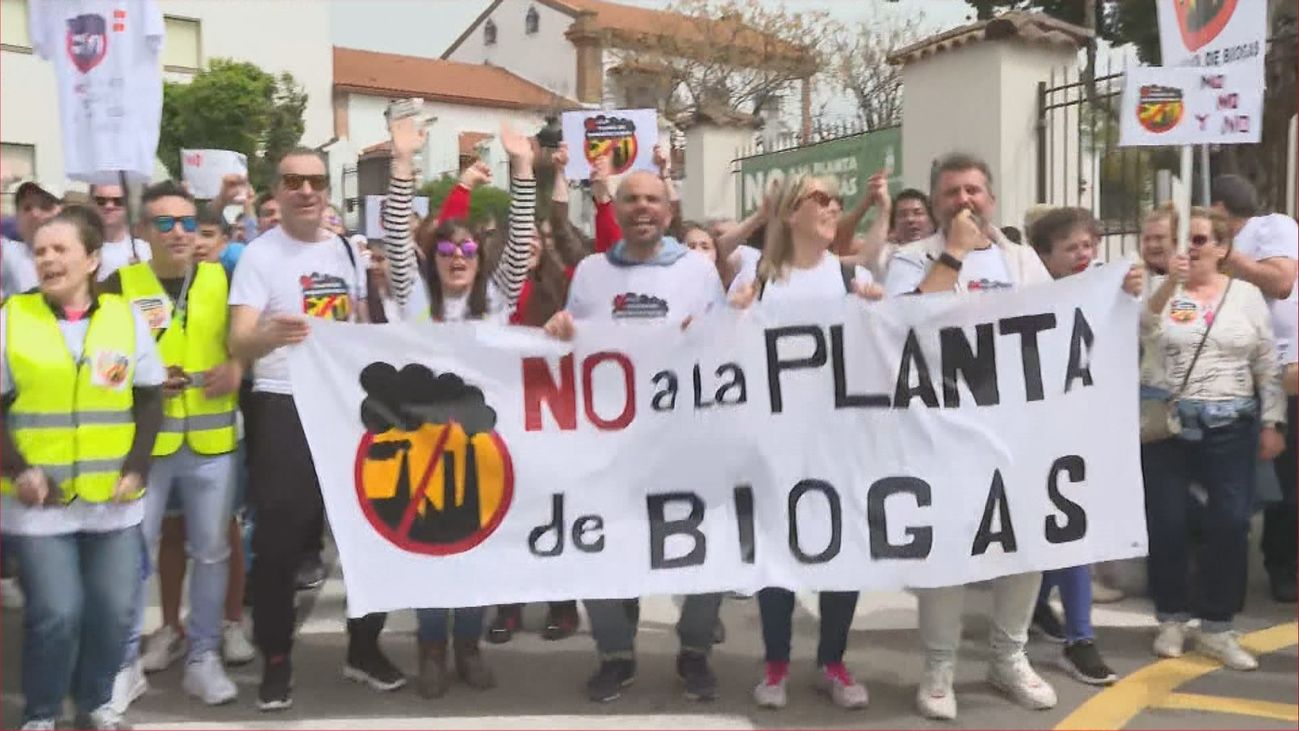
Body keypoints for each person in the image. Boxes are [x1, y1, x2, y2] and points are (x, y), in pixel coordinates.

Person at [883, 153, 1142, 721]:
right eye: (951, 192)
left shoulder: (1020, 259)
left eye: (975, 190)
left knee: (1026, 548)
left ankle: (1009, 657)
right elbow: (903, 328)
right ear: (934, 203)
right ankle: (939, 668)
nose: (965, 201)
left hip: (1018, 434)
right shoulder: (908, 259)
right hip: (942, 434)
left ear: (992, 199)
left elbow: (1064, 322)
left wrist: (1120, 295)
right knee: (947, 554)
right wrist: (952, 251)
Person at [229, 147, 404, 711]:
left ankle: (363, 648)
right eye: (293, 181)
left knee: (369, 535)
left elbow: (357, 326)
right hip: (283, 406)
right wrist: (274, 336)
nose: (306, 190)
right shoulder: (260, 256)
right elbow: (239, 341)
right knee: (280, 546)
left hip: (346, 408)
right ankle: (276, 659)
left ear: (328, 189)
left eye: (316, 181)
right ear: (276, 191)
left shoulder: (350, 252)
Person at [544, 169, 726, 704]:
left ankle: (694, 652)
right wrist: (560, 331)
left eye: (653, 199)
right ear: (615, 209)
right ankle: (615, 655)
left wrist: (709, 336)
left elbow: (728, 349)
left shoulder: (697, 270)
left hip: (686, 437)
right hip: (611, 443)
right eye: (631, 199)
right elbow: (572, 349)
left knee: (704, 550)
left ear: (669, 212)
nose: (642, 207)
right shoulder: (591, 273)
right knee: (601, 545)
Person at [383, 115, 535, 698]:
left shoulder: (495, 301)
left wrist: (523, 167)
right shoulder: (414, 300)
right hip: (420, 452)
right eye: (446, 246)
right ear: (434, 256)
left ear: (479, 256)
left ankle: (468, 645)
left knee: (475, 555)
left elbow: (519, 241)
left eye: (468, 246)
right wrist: (402, 165)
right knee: (429, 553)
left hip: (482, 451)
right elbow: (398, 236)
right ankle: (431, 650)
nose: (457, 254)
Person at [1, 206, 165, 730]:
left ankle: (95, 704)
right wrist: (17, 470)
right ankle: (42, 713)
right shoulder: (11, 318)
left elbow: (149, 400)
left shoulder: (124, 317)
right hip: (40, 507)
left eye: (60, 249)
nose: (47, 260)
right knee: (57, 613)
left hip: (112, 504)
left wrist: (138, 468)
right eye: (40, 251)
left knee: (115, 614)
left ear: (92, 259)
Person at [728, 174, 881, 710]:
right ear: (791, 213)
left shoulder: (851, 278)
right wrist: (735, 315)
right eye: (820, 197)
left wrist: (881, 313)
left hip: (841, 443)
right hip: (776, 445)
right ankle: (775, 663)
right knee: (779, 553)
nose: (833, 205)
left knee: (844, 549)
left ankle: (832, 661)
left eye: (839, 198)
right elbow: (718, 354)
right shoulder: (759, 277)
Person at [104, 182, 244, 708]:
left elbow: (243, 341)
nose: (180, 232)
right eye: (165, 223)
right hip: (146, 444)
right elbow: (101, 358)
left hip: (211, 441)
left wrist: (238, 367)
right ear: (143, 231)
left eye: (187, 222)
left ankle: (203, 655)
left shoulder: (222, 277)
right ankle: (123, 663)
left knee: (211, 552)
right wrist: (134, 379)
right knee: (132, 552)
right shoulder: (120, 283)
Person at [1140, 206, 1286, 670]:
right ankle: (1171, 617)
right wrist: (1168, 285)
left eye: (1201, 240)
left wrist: (1273, 421)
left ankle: (1218, 626)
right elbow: (1142, 330)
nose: (1191, 249)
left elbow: (1266, 361)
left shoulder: (1245, 296)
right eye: (1183, 240)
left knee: (1230, 523)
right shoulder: (1155, 290)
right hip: (1171, 427)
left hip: (1232, 425)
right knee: (1167, 522)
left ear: (1223, 249)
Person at [1024, 206, 1120, 686]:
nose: (1083, 255)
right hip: (1037, 433)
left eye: (1088, 245)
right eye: (1070, 248)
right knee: (1061, 532)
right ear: (1046, 257)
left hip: (1086, 430)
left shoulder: (1110, 292)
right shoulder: (1028, 299)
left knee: (1068, 532)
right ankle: (1065, 628)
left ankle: (1059, 621)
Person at [1210, 175, 1299, 604]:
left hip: (1286, 370)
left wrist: (1229, 256)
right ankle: (1272, 565)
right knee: (1258, 481)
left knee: (1287, 478)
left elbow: (1281, 283)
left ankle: (1284, 566)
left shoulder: (1273, 226)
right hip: (1241, 374)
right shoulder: (1209, 243)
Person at [3, 182, 62, 301]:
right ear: (17, 218)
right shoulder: (8, 253)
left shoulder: (83, 253)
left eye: (45, 206)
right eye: (27, 208)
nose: (34, 214)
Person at [89, 184, 152, 280]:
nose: (109, 206)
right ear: (91, 203)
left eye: (118, 201)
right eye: (101, 200)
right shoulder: (81, 248)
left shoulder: (145, 250)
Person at [1140, 206, 1176, 276]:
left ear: (1175, 241)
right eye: (1147, 239)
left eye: (1159, 238)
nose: (1152, 245)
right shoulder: (1134, 280)